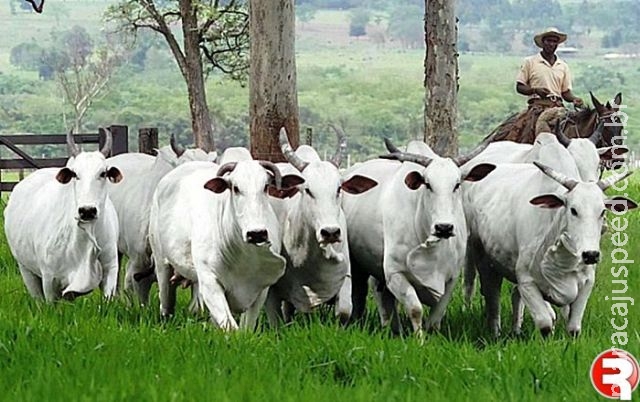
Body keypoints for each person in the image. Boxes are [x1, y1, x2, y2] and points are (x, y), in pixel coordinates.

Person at [488, 28, 584, 143]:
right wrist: (535, 90)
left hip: (558, 107)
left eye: (554, 41)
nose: (551, 44)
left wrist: (574, 99)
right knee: (533, 132)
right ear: (543, 42)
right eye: (549, 40)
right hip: (538, 106)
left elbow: (565, 92)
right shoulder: (530, 62)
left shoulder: (563, 66)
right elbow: (520, 87)